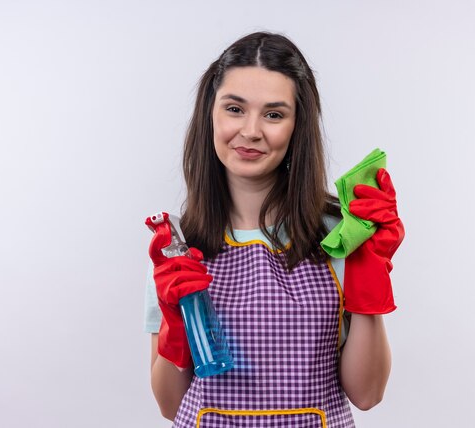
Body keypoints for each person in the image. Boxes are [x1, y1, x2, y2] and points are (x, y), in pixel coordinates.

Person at [144, 31, 405, 427]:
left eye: (273, 114)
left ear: (297, 127)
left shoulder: (338, 235)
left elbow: (366, 395)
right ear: (210, 115)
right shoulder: (177, 247)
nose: (250, 131)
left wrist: (367, 270)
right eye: (234, 109)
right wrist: (173, 321)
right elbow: (169, 405)